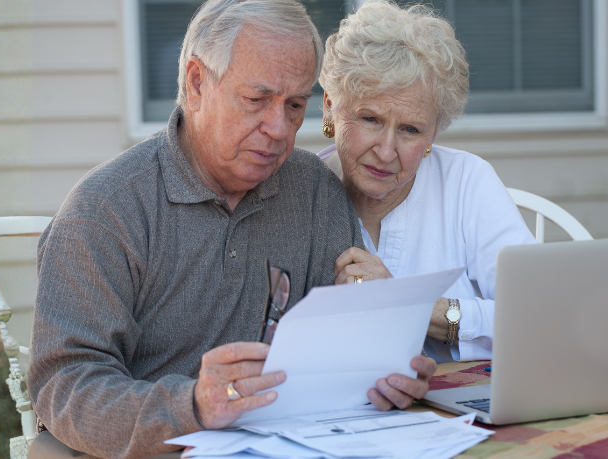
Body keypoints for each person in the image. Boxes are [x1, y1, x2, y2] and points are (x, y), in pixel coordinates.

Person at [27, 1, 435, 458]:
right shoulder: (105, 212)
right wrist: (193, 406)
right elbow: (65, 386)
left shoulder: (316, 192)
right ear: (197, 83)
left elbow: (338, 353)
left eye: (295, 105)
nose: (279, 128)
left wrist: (380, 373)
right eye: (256, 100)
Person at [318, 1, 536, 364]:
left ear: (434, 132)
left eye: (410, 129)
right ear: (329, 107)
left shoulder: (467, 182)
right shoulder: (300, 194)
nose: (386, 151)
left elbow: (539, 315)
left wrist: (408, 304)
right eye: (370, 119)